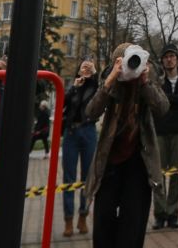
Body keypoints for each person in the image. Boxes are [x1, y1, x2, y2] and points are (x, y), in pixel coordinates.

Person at [86, 45, 169, 248]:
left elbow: (162, 108)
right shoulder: (111, 81)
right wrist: (111, 79)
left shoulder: (146, 80)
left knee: (132, 225)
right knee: (103, 221)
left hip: (138, 163)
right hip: (109, 163)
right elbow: (91, 112)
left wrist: (145, 83)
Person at [150, 47, 178, 230]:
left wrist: (168, 99)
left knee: (176, 174)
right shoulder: (158, 80)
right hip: (160, 130)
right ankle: (160, 214)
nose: (169, 60)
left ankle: (173, 213)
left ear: (177, 60)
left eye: (172, 56)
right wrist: (176, 99)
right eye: (166, 57)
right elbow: (157, 100)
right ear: (162, 61)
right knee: (158, 175)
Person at [62, 58, 102, 235]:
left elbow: (101, 92)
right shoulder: (74, 87)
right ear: (78, 71)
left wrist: (94, 74)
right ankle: (68, 220)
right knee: (68, 178)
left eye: (88, 67)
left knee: (87, 177)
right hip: (71, 133)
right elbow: (63, 104)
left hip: (88, 131)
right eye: (82, 67)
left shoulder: (94, 87)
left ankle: (83, 217)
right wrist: (74, 88)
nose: (85, 69)